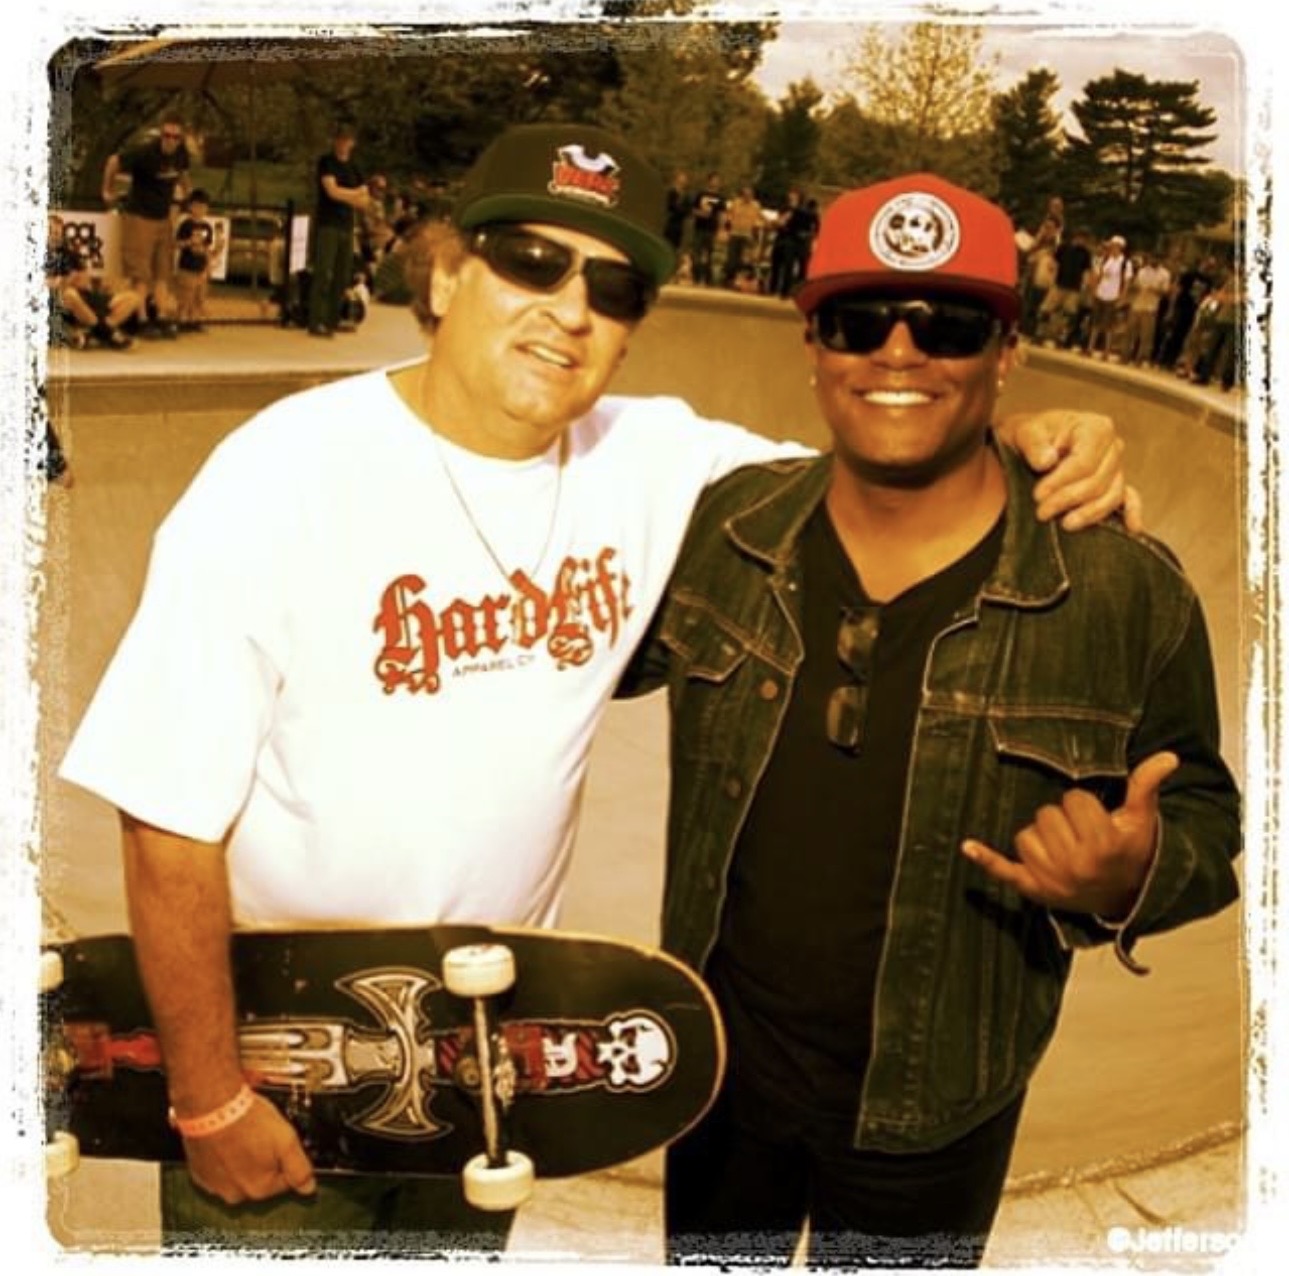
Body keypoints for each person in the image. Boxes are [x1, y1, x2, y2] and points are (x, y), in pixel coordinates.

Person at [60, 124, 1132, 1255]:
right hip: (283, 1056)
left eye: (611, 286)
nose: (568, 307)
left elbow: (887, 461)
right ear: (443, 273)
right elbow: (167, 816)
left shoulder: (661, 460)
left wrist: (1020, 434)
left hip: (483, 1069)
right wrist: (210, 1093)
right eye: (531, 261)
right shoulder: (282, 475)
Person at [619, 173, 1242, 1268]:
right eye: (860, 321)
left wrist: (1129, 873)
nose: (898, 354)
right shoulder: (727, 526)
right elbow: (544, 646)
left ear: (1006, 353)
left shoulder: (1119, 588)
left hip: (938, 1105)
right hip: (718, 1087)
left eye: (948, 325)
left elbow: (1202, 813)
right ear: (812, 342)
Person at [101, 114, 191, 339]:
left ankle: (160, 315)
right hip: (139, 216)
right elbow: (114, 161)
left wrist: (187, 193)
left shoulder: (181, 154)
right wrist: (107, 189)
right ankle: (140, 319)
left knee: (163, 270)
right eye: (166, 136)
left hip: (162, 217)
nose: (170, 141)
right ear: (161, 135)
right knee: (140, 273)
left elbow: (183, 173)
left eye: (175, 137)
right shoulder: (145, 153)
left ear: (181, 139)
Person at [306, 123, 368, 337]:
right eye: (340, 139)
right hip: (328, 223)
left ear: (352, 143)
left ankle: (332, 319)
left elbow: (365, 201)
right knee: (324, 271)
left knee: (341, 274)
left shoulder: (355, 168)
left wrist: (350, 195)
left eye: (347, 140)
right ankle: (316, 320)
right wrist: (354, 193)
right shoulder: (327, 163)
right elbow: (331, 192)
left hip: (346, 225)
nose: (343, 144)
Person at [45, 213, 140, 351]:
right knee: (69, 295)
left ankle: (92, 333)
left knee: (132, 298)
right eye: (51, 232)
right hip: (56, 300)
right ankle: (109, 334)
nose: (55, 235)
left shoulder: (68, 252)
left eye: (57, 232)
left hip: (84, 295)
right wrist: (65, 281)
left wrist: (71, 280)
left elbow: (84, 280)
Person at [173, 190, 223, 332]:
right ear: (190, 207)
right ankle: (181, 320)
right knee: (185, 295)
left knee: (199, 296)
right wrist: (189, 242)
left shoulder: (207, 227)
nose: (200, 210)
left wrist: (208, 268)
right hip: (187, 267)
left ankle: (194, 320)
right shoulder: (186, 225)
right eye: (197, 206)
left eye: (203, 207)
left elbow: (207, 249)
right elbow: (177, 244)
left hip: (200, 267)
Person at [1035, 226, 1093, 348]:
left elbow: (1086, 270)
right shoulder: (1064, 248)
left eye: (1084, 239)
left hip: (1074, 287)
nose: (1082, 241)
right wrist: (1052, 275)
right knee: (1046, 310)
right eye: (1081, 238)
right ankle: (1040, 334)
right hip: (1059, 283)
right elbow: (1054, 261)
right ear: (1076, 237)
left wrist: (1085, 284)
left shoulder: (1086, 253)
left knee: (1068, 315)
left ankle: (1060, 338)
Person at [1084, 234, 1133, 359]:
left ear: (1120, 247)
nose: (1112, 248)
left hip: (1113, 296)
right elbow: (1098, 275)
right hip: (1101, 293)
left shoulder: (1125, 263)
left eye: (1115, 246)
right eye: (1111, 246)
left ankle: (1106, 351)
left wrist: (1122, 297)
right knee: (1095, 322)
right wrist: (1094, 290)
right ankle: (1090, 347)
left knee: (1109, 325)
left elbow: (1127, 281)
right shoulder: (1105, 259)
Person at [1122, 250, 1172, 366]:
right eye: (1152, 258)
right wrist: (1136, 288)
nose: (1153, 261)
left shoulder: (1165, 274)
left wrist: (1154, 289)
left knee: (1145, 336)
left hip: (1151, 307)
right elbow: (1134, 285)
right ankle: (1125, 356)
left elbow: (1165, 292)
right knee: (1130, 332)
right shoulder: (1142, 271)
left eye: (1157, 259)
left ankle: (1139, 359)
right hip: (1137, 304)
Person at [721, 185, 764, 289]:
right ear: (742, 194)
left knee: (744, 260)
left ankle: (741, 281)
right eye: (745, 194)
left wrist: (759, 227)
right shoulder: (736, 203)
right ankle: (729, 280)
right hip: (735, 233)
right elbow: (728, 216)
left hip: (747, 235)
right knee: (732, 259)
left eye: (749, 194)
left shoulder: (756, 205)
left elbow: (760, 219)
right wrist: (726, 228)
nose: (747, 196)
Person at [688, 172, 726, 287]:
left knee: (710, 255)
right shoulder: (700, 194)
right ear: (709, 181)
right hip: (699, 228)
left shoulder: (720, 198)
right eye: (714, 180)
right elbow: (692, 210)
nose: (715, 182)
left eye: (717, 180)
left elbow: (722, 214)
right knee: (696, 254)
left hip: (711, 229)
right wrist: (700, 213)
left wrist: (721, 229)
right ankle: (696, 277)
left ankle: (708, 279)